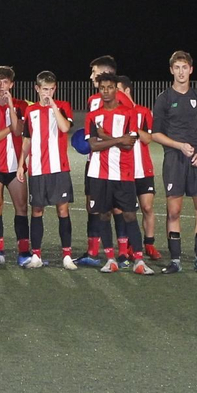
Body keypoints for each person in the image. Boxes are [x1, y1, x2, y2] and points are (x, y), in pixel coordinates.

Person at [150, 50, 197, 274]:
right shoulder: (164, 98)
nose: (181, 72)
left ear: (191, 69)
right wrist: (178, 145)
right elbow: (155, 134)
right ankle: (175, 261)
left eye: (184, 67)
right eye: (176, 68)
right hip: (174, 159)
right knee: (174, 212)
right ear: (171, 70)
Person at [84, 72, 157, 275]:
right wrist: (117, 139)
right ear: (98, 91)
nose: (106, 92)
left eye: (109, 87)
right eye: (102, 88)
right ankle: (110, 259)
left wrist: (105, 137)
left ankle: (139, 261)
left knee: (129, 215)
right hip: (99, 173)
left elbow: (129, 145)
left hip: (124, 173)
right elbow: (93, 146)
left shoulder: (129, 113)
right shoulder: (92, 116)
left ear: (116, 89)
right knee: (104, 215)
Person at [17, 71, 76, 269]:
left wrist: (53, 106)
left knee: (62, 209)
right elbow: (26, 139)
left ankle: (67, 256)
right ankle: (36, 255)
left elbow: (65, 128)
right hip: (37, 168)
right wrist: (20, 165)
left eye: (51, 89)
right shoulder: (30, 110)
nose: (47, 93)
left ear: (55, 89)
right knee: (37, 210)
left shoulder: (63, 106)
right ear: (37, 89)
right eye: (44, 89)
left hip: (59, 167)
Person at [76, 55, 130, 265]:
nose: (91, 77)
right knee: (93, 205)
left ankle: (123, 253)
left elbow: (129, 134)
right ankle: (92, 252)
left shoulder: (122, 100)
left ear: (106, 74)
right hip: (95, 161)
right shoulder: (92, 100)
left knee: (117, 207)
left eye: (94, 72)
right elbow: (92, 132)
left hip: (117, 163)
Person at [0, 66, 31, 267]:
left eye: (6, 82)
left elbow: (18, 131)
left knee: (21, 208)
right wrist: (8, 129)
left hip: (15, 166)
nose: (2, 86)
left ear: (12, 84)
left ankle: (23, 251)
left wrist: (10, 104)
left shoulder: (21, 106)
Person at [117, 74, 163, 263]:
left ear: (127, 91)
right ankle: (128, 246)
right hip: (124, 170)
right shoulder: (116, 113)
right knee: (127, 210)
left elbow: (147, 139)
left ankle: (149, 243)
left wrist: (134, 126)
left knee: (147, 207)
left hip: (143, 169)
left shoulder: (143, 112)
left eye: (118, 90)